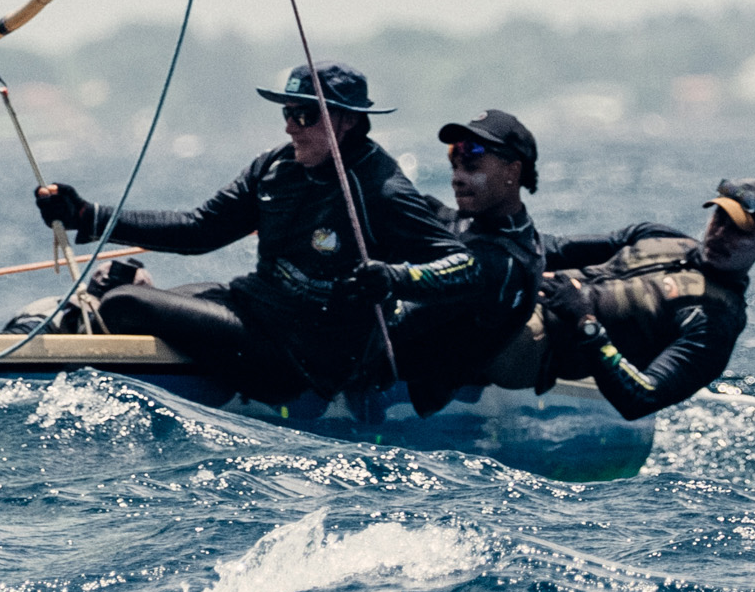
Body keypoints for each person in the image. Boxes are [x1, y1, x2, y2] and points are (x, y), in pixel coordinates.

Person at [30, 61, 457, 403]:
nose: (290, 126)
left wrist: (395, 277)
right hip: (252, 308)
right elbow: (200, 230)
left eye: (304, 115)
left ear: (346, 120)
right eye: (287, 112)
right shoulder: (274, 166)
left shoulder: (381, 188)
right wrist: (88, 216)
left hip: (301, 358)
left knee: (124, 303)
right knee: (123, 299)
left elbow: (462, 264)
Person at [335, 108, 545, 415]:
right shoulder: (503, 229)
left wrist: (388, 278)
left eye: (471, 167)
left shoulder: (499, 263)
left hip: (408, 391)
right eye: (455, 167)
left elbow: (425, 293)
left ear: (512, 172)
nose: (457, 179)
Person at [533, 177, 755, 420]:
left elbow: (641, 398)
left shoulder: (715, 324)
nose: (720, 234)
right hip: (523, 297)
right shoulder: (657, 236)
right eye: (720, 218)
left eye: (738, 230)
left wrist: (585, 323)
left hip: (539, 345)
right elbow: (553, 248)